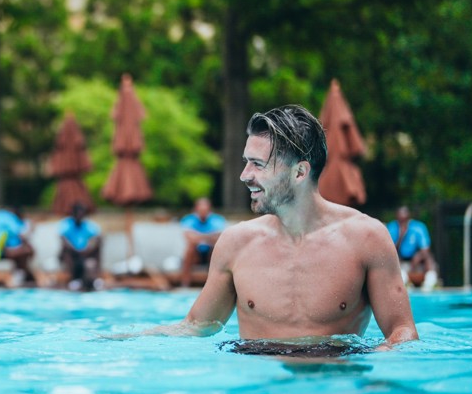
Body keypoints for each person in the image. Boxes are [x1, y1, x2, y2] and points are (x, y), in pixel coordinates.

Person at [112, 105, 418, 348]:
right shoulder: (237, 243)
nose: (244, 175)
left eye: (257, 164)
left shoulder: (366, 238)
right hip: (259, 391)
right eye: (246, 162)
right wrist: (122, 342)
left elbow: (402, 332)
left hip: (334, 392)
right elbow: (195, 327)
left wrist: (376, 374)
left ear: (300, 172)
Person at [0, 206, 35, 285]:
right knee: (27, 251)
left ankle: (22, 274)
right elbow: (22, 233)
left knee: (21, 252)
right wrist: (30, 226)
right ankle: (24, 275)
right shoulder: (10, 218)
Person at [386, 206, 439, 290]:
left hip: (415, 262)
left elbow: (425, 249)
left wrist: (418, 257)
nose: (403, 223)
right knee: (391, 258)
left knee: (429, 258)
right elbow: (389, 251)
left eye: (405, 220)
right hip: (400, 260)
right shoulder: (391, 228)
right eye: (400, 220)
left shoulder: (418, 227)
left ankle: (430, 280)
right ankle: (402, 280)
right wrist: (401, 237)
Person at [179, 197, 227, 287]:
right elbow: (190, 238)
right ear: (196, 209)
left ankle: (213, 284)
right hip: (195, 255)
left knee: (216, 247)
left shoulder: (218, 220)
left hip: (211, 253)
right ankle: (185, 282)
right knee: (191, 247)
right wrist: (209, 237)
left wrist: (199, 237)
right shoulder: (188, 219)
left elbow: (219, 238)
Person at [59, 202, 103, 291]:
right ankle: (73, 277)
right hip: (72, 254)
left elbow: (97, 239)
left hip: (87, 254)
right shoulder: (66, 224)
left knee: (92, 257)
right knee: (66, 252)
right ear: (73, 213)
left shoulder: (90, 226)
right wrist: (76, 250)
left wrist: (87, 249)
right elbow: (64, 240)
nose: (80, 216)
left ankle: (92, 278)